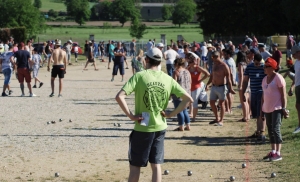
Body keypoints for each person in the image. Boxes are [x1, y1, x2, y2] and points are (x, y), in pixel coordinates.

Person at [115, 47, 193, 182]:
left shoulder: (139, 76)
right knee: (156, 166)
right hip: (160, 127)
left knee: (135, 166)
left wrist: (131, 116)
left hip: (142, 127)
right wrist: (171, 114)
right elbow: (188, 99)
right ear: (160, 61)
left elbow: (119, 96)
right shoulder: (167, 79)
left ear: (146, 60)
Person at [261, 57, 288, 162]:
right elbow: (263, 95)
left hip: (277, 107)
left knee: (276, 129)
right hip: (267, 108)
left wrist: (284, 108)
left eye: (266, 66)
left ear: (272, 68)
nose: (264, 68)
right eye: (264, 66)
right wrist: (261, 109)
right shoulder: (264, 79)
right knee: (270, 130)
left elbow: (283, 95)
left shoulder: (278, 78)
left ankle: (278, 153)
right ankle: (273, 151)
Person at [205, 51, 235, 126]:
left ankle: (221, 120)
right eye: (212, 57)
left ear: (217, 56)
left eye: (213, 57)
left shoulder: (224, 66)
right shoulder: (214, 64)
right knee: (212, 103)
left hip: (222, 87)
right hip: (214, 86)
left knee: (222, 104)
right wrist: (208, 84)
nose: (212, 59)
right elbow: (212, 75)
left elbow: (229, 78)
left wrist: (230, 88)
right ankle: (217, 118)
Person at [242, 53, 266, 140]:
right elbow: (245, 81)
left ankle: (262, 132)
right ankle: (258, 131)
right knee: (256, 113)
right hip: (253, 92)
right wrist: (243, 92)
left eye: (259, 63)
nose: (258, 65)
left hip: (262, 92)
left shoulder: (264, 67)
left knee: (261, 112)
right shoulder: (249, 67)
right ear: (253, 60)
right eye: (256, 63)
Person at [187, 53, 210, 122]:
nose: (192, 63)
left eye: (193, 61)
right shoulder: (188, 68)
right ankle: (191, 113)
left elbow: (207, 74)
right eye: (190, 62)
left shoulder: (198, 68)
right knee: (189, 101)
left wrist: (201, 80)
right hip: (189, 86)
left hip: (197, 86)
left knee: (194, 101)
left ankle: (194, 118)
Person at [172, 57, 192, 131]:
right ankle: (188, 125)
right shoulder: (187, 71)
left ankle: (181, 126)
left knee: (179, 110)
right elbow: (190, 82)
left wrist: (171, 94)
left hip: (179, 94)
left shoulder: (176, 72)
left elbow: (174, 84)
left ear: (177, 64)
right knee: (185, 110)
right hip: (187, 93)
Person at [288, 46, 300, 134]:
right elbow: (296, 77)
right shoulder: (296, 63)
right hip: (298, 86)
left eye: (294, 53)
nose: (293, 55)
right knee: (298, 106)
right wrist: (291, 87)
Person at [237, 52, 251, 122]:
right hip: (248, 83)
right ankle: (247, 116)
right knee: (247, 100)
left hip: (243, 83)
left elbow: (241, 75)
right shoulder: (247, 64)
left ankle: (245, 117)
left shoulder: (240, 64)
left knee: (243, 101)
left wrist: (240, 85)